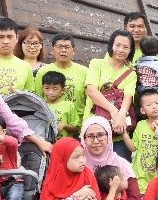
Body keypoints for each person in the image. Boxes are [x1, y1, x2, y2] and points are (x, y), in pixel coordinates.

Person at [84, 29, 137, 160]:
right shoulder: (97, 63)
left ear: (131, 50)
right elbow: (92, 91)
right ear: (111, 45)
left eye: (126, 47)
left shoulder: (131, 73)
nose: (121, 50)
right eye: (117, 45)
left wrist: (121, 115)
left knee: (119, 173)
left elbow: (128, 96)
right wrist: (115, 112)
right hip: (93, 128)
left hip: (117, 130)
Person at [123, 89, 158, 194]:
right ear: (142, 110)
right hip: (141, 176)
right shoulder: (140, 125)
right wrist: (124, 133)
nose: (154, 106)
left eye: (157, 103)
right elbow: (133, 148)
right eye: (149, 105)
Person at [35, 33, 89, 124]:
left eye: (67, 47)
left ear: (74, 51)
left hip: (78, 125)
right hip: (48, 123)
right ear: (52, 50)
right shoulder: (42, 72)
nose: (63, 50)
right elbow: (37, 99)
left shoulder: (85, 72)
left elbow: (89, 101)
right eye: (59, 47)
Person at [0, 17, 34, 95]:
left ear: (16, 38)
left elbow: (30, 97)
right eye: (0, 37)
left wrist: (19, 95)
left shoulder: (26, 67)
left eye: (10, 37)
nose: (6, 41)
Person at [41, 71, 79, 138]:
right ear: (42, 88)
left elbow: (76, 128)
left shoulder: (68, 105)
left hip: (64, 145)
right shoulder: (39, 106)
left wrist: (64, 125)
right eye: (47, 88)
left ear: (63, 90)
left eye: (55, 89)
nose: (50, 92)